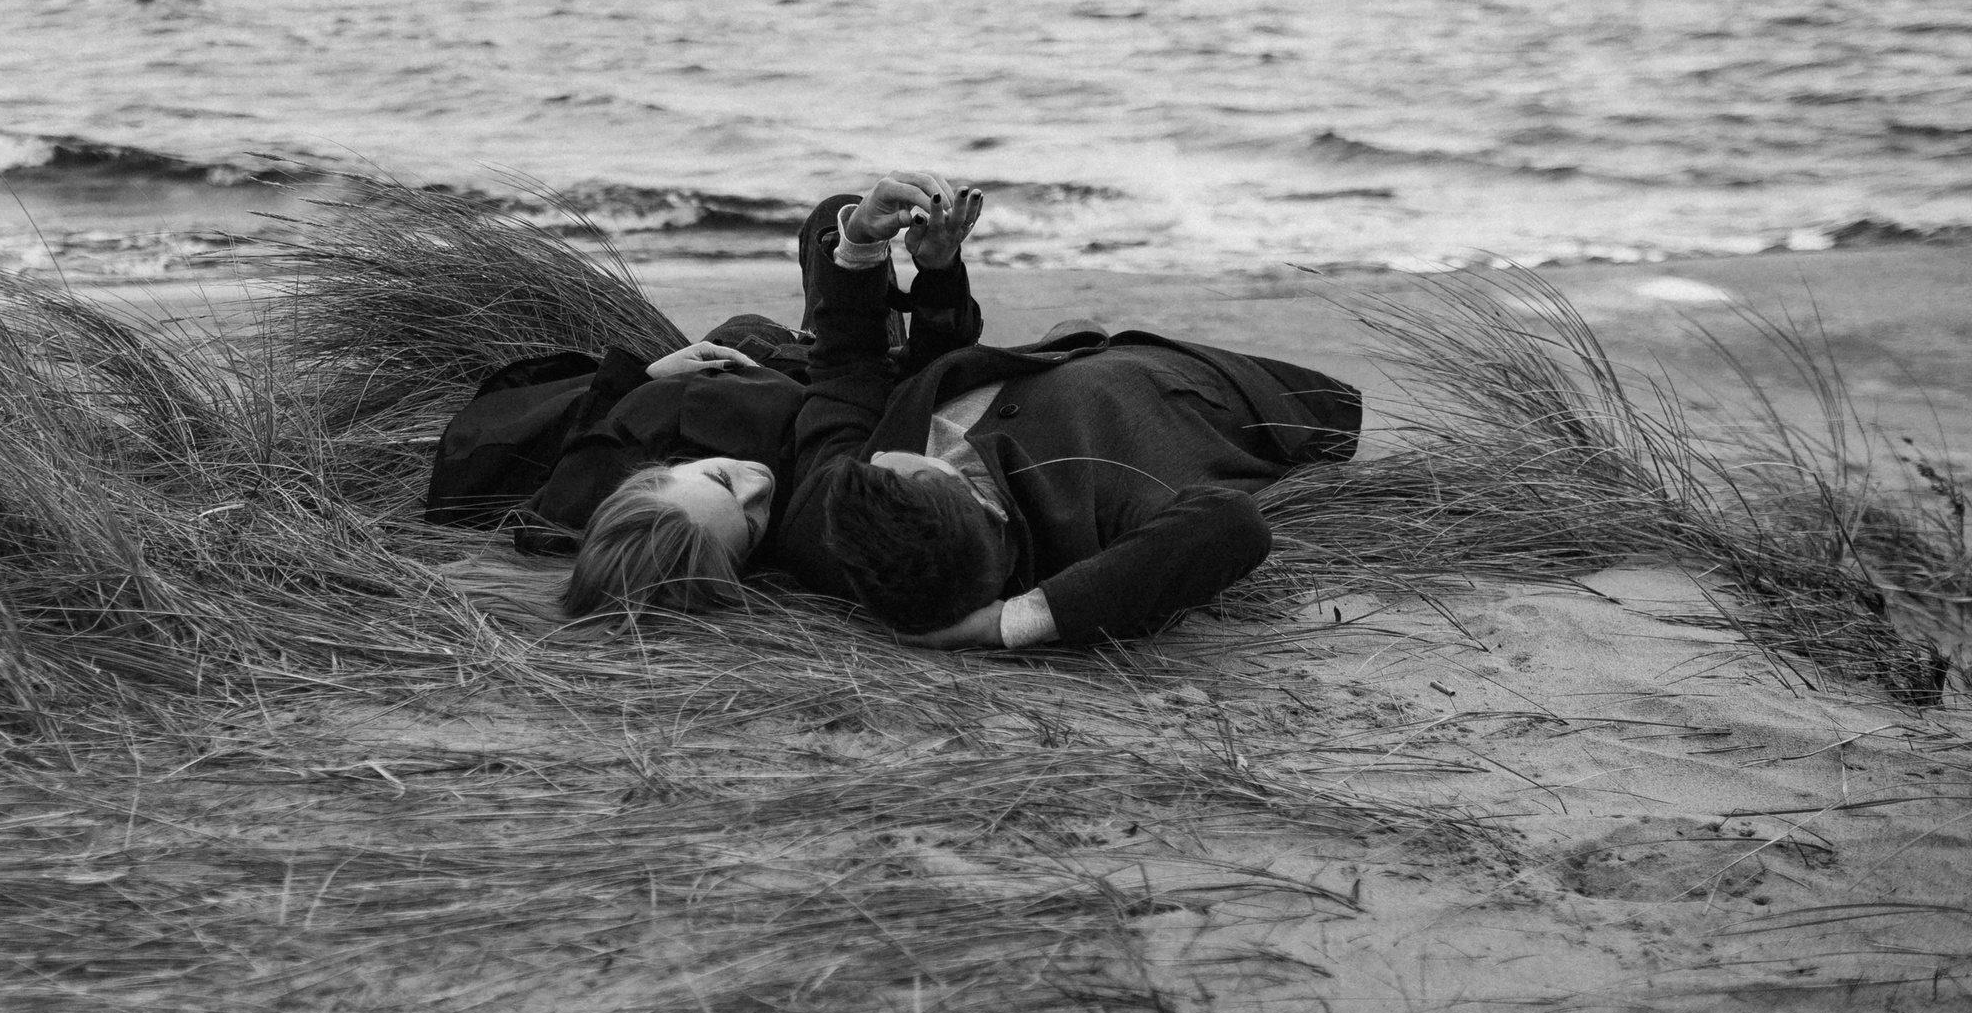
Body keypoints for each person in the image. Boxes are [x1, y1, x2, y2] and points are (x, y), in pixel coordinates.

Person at [775, 189, 1362, 649]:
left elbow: (845, 375)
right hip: (1211, 393)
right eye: (899, 464)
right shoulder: (1090, 517)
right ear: (959, 488)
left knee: (836, 215)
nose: (877, 452)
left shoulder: (830, 526)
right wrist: (1007, 623)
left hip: (1051, 355)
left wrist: (863, 246)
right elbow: (1233, 525)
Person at [422, 175, 986, 614]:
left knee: (832, 218)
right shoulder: (821, 510)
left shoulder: (575, 504)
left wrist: (647, 376)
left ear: (645, 481)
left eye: (721, 480)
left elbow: (489, 439)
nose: (759, 485)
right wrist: (935, 273)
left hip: (740, 355)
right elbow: (894, 381)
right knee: (838, 217)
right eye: (753, 524)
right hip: (830, 370)